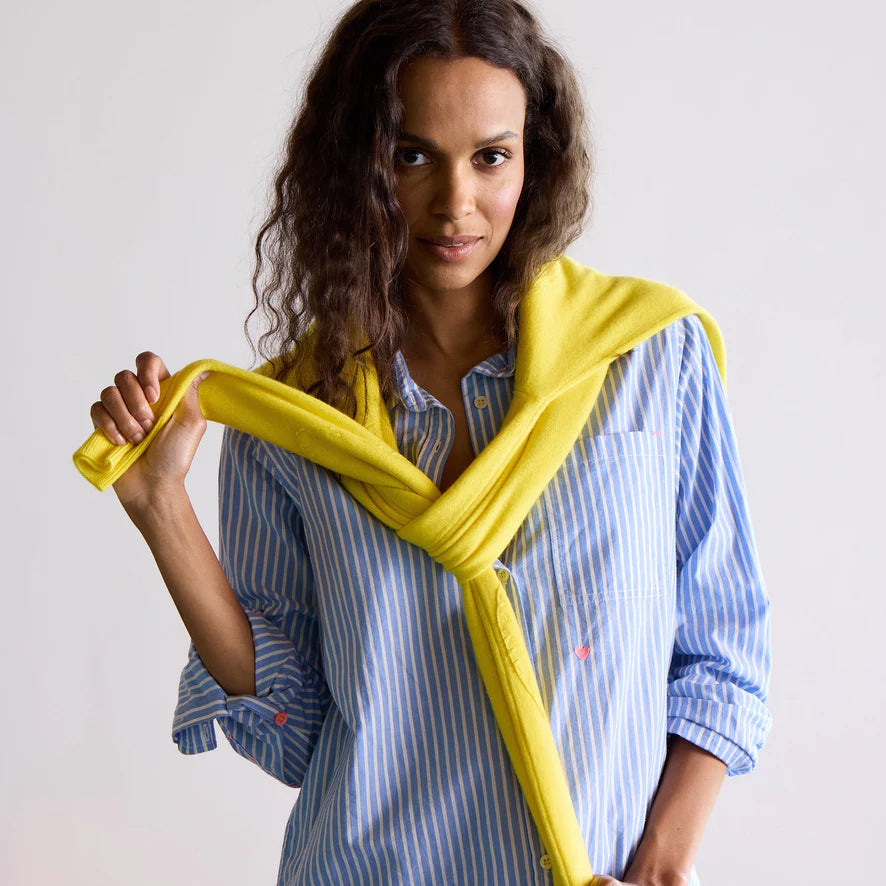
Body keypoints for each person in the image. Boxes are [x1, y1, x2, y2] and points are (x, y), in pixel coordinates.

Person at [87, 2, 772, 884]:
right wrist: (162, 511)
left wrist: (660, 867)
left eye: (492, 157)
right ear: (359, 165)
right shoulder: (294, 419)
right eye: (412, 156)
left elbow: (723, 651)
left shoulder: (647, 358)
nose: (456, 204)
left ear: (537, 159)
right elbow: (291, 728)